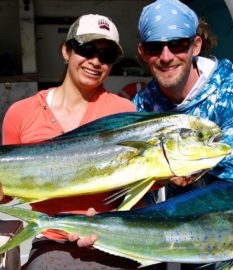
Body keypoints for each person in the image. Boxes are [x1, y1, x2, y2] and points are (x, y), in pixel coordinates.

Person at [1, 13, 140, 270]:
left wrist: (110, 220)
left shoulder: (124, 112)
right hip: (51, 241)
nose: (95, 61)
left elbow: (136, 191)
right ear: (66, 51)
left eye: (106, 56)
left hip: (110, 240)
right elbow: (8, 194)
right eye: (87, 49)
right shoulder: (20, 113)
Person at [133, 0, 233, 269]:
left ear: (195, 45)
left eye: (177, 44)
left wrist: (195, 170)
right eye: (154, 47)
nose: (166, 56)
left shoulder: (232, 94)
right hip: (178, 232)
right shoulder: (143, 104)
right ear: (142, 52)